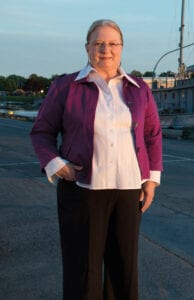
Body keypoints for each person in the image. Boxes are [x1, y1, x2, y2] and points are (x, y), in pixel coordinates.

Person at [30, 19, 163, 300]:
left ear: (122, 47)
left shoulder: (139, 88)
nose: (106, 49)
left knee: (124, 269)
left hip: (128, 190)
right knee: (83, 270)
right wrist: (56, 164)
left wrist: (151, 179)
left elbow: (152, 134)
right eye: (98, 43)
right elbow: (42, 131)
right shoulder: (66, 86)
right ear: (87, 47)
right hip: (81, 190)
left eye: (113, 43)